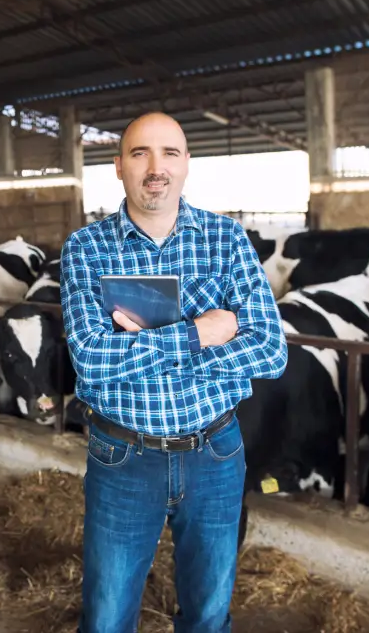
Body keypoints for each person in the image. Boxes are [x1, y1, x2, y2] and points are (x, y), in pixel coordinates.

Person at [59, 111, 288, 633]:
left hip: (214, 453)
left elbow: (271, 351)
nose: (154, 167)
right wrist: (200, 333)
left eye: (169, 154)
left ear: (187, 165)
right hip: (123, 456)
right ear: (118, 167)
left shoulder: (226, 240)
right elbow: (91, 361)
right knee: (107, 615)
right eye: (140, 153)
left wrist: (140, 347)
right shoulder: (86, 248)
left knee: (208, 614)